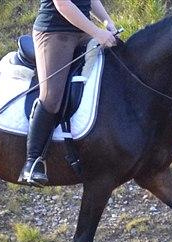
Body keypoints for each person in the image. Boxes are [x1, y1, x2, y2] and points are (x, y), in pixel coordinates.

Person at [18, 0, 118, 186]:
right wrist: (97, 32)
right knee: (52, 97)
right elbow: (63, 5)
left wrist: (107, 22)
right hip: (55, 31)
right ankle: (32, 162)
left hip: (82, 30)